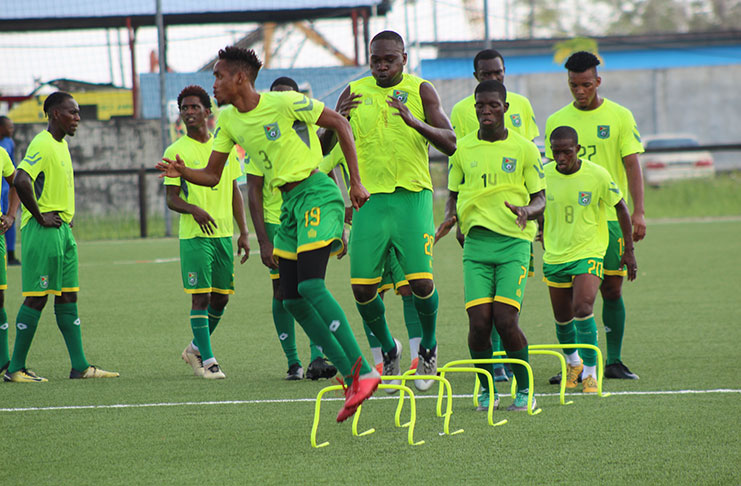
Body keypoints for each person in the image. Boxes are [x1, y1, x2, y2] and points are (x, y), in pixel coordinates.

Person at [156, 46, 379, 422]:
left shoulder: (285, 102)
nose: (214, 84)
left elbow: (339, 124)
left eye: (219, 76)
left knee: (310, 287)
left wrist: (355, 183)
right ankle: (350, 376)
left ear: (240, 78)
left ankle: (363, 370)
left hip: (316, 193)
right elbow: (212, 175)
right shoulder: (227, 122)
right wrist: (183, 172)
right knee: (291, 298)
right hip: (289, 207)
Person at [324, 30, 456, 392]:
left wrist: (414, 122)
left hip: (412, 198)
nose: (382, 66)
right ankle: (388, 346)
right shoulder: (353, 92)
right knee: (362, 288)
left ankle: (428, 347)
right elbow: (324, 149)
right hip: (369, 201)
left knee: (421, 282)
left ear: (403, 59)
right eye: (375, 60)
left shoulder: (421, 90)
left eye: (389, 60)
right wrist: (335, 118)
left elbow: (452, 143)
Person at [436, 79, 545, 411]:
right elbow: (454, 193)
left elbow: (541, 197)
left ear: (506, 109)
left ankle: (524, 390)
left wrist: (527, 210)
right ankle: (486, 390)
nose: (486, 111)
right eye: (480, 105)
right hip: (477, 246)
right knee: (479, 323)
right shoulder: (463, 149)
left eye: (493, 105)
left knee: (505, 319)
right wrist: (450, 216)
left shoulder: (524, 149)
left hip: (513, 242)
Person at [544, 51, 646, 381]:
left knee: (612, 291)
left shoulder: (619, 116)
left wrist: (639, 211)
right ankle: (577, 365)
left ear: (598, 82)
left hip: (612, 220)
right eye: (574, 85)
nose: (580, 91)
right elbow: (551, 178)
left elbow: (632, 165)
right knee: (574, 300)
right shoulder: (557, 121)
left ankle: (612, 360)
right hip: (572, 226)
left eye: (586, 84)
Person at [4, 92, 119, 382]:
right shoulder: (42, 143)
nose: (78, 118)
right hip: (43, 231)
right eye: (73, 112)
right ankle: (15, 369)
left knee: (68, 296)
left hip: (63, 230)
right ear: (55, 114)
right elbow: (20, 178)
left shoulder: (61, 145)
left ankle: (79, 366)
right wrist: (41, 215)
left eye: (78, 112)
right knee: (37, 298)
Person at [245, 76, 337, 381]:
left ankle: (318, 358)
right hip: (278, 219)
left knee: (312, 284)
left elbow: (325, 170)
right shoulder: (263, 134)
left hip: (311, 214)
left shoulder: (308, 130)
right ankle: (293, 361)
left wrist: (340, 222)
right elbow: (254, 190)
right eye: (278, 97)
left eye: (289, 96)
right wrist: (262, 240)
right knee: (283, 290)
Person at [541, 126, 637, 392]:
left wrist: (629, 250)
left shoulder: (597, 175)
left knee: (582, 307)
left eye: (567, 152)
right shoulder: (543, 175)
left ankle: (592, 373)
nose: (560, 157)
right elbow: (533, 204)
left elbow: (621, 207)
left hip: (589, 252)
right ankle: (574, 364)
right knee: (562, 318)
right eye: (555, 152)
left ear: (577, 150)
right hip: (555, 254)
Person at [163, 85, 249, 380]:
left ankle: (194, 348)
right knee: (200, 298)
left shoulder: (224, 146)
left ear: (207, 112)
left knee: (221, 298)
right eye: (184, 108)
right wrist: (194, 210)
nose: (188, 112)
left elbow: (235, 190)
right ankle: (209, 361)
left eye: (194, 107)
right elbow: (172, 199)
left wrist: (244, 231)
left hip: (224, 235)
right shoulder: (175, 151)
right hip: (195, 237)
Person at [319, 146, 422, 376]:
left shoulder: (394, 126)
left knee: (409, 287)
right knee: (368, 292)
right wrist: (338, 206)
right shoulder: (346, 138)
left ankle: (417, 358)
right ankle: (381, 359)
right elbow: (318, 167)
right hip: (367, 226)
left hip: (401, 220)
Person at [0, 148, 20, 376]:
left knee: (0, 295)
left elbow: (17, 182)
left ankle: (3, 359)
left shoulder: (2, 154)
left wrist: (11, 214)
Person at [0, 116, 19, 266]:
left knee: (7, 220)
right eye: (9, 127)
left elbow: (11, 167)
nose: (12, 130)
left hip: (5, 189)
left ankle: (11, 254)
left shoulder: (7, 145)